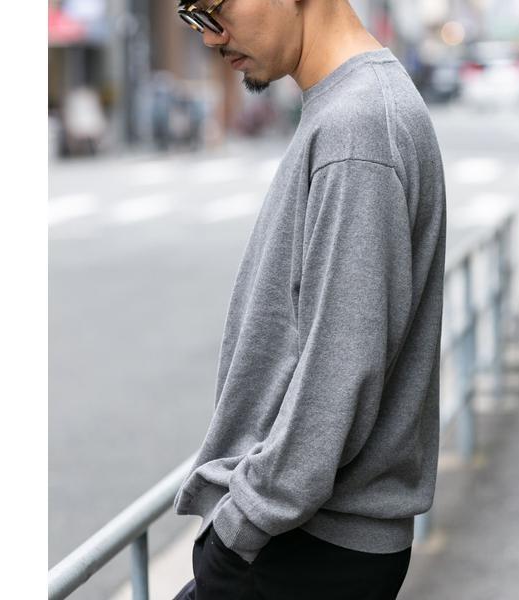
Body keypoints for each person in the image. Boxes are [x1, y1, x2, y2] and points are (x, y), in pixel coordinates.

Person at [172, 1, 446, 598]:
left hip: (304, 546)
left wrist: (239, 529)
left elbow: (341, 370)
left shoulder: (359, 126)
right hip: (306, 537)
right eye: (193, 17)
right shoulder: (353, 106)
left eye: (215, 8)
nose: (212, 37)